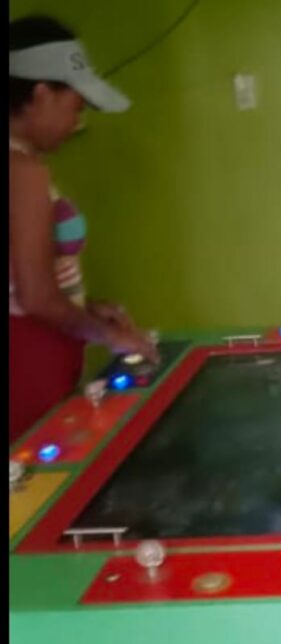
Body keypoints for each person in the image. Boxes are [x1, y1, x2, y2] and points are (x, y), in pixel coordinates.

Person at [9, 15, 158, 443]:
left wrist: (85, 307)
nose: (77, 121)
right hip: (28, 359)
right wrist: (111, 336)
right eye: (75, 106)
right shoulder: (24, 171)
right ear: (41, 94)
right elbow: (36, 297)